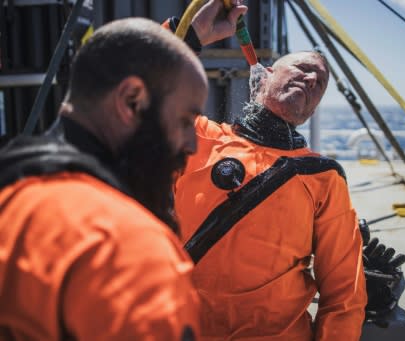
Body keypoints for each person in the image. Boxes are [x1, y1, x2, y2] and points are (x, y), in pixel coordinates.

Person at [0, 1, 246, 338]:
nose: (191, 143)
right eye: (186, 120)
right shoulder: (126, 252)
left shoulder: (13, 199)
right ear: (132, 101)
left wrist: (181, 38)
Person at [173, 18, 367, 340]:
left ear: (313, 110)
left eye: (319, 83)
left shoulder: (323, 176)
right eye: (302, 68)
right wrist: (190, 32)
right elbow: (137, 88)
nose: (311, 79)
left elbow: (345, 292)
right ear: (262, 77)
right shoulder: (199, 136)